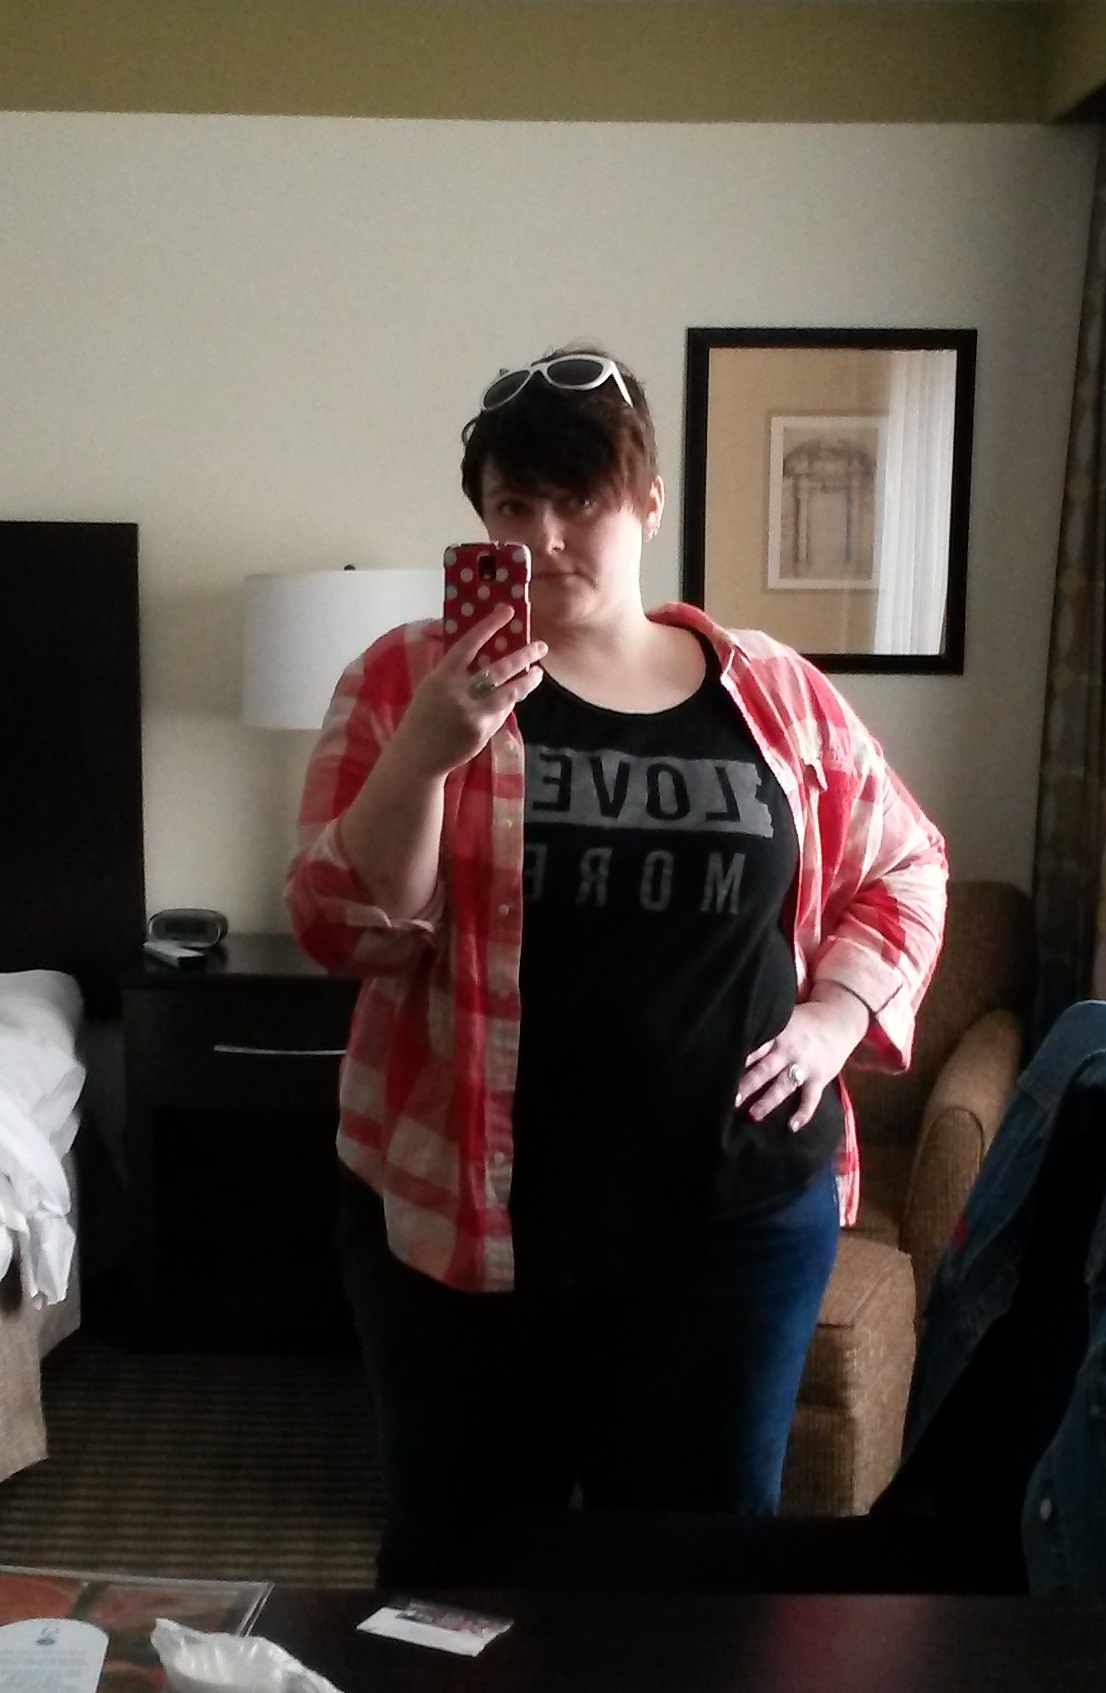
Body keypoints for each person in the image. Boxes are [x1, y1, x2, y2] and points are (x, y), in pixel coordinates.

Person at [286, 345, 948, 1588]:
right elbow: (341, 926)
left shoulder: (776, 695)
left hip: (733, 1226)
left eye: (578, 499)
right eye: (513, 504)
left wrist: (831, 1016)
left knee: (698, 1576)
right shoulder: (405, 678)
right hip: (466, 1223)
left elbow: (907, 864)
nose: (544, 538)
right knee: (461, 1569)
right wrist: (426, 752)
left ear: (647, 502)